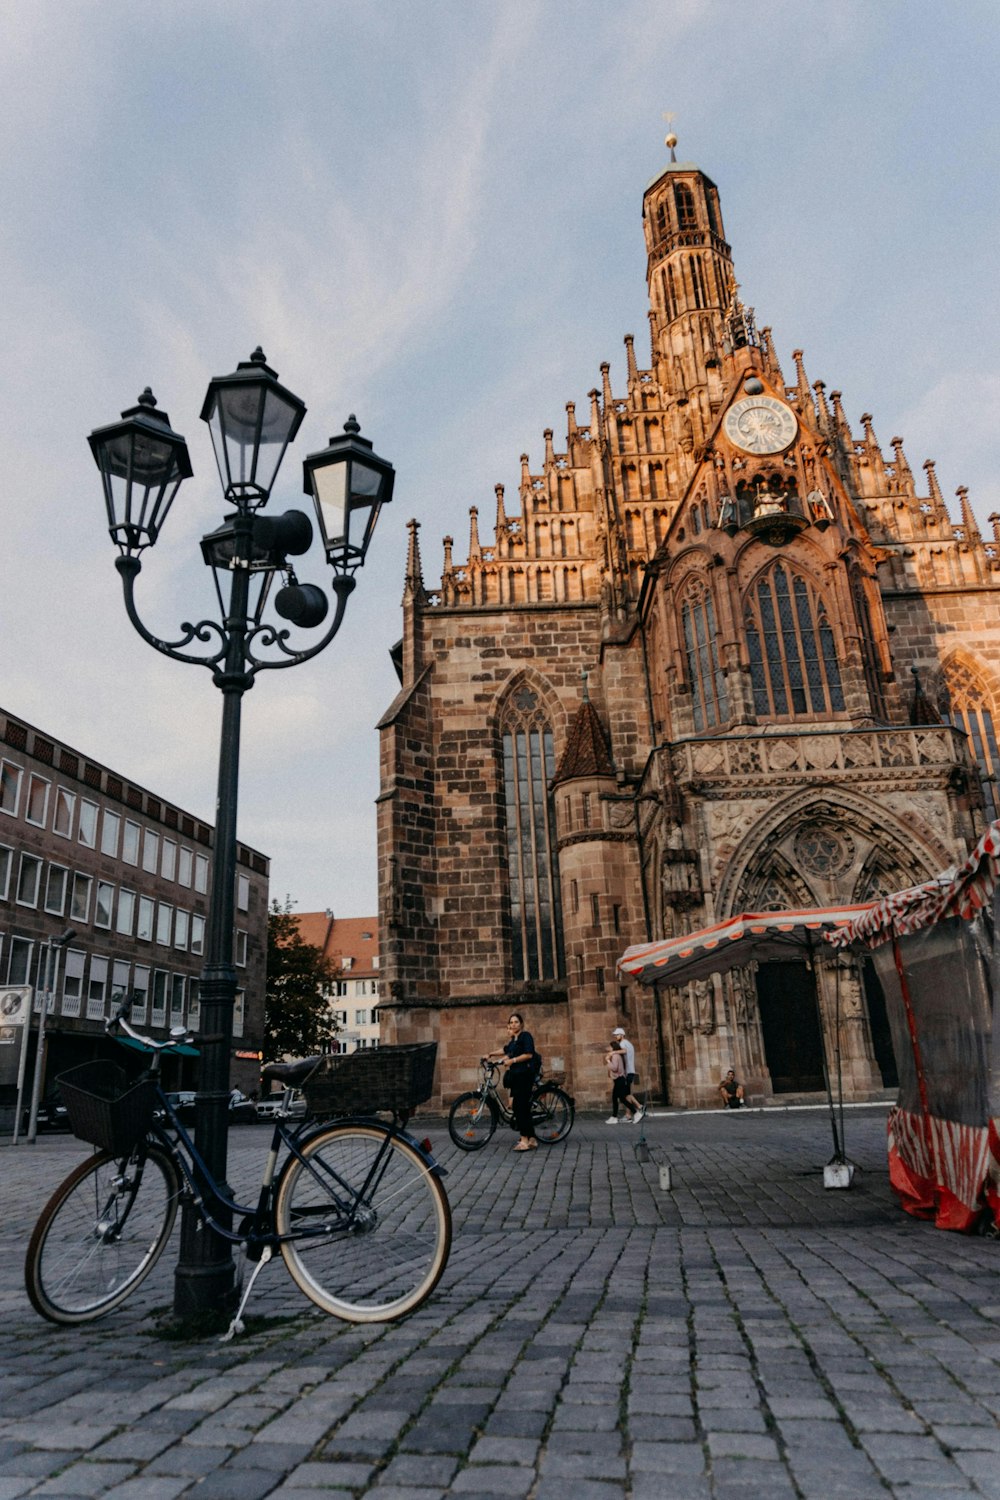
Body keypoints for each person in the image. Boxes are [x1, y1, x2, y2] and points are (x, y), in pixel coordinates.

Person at [487, 1012, 539, 1151]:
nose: (513, 1024)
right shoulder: (513, 1041)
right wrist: (491, 1055)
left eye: (516, 1022)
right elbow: (505, 1051)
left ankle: (524, 1140)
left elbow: (529, 1054)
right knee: (521, 1107)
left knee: (519, 1106)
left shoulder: (525, 1036)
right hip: (516, 1076)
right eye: (511, 1022)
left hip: (525, 1075)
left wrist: (512, 1060)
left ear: (521, 1024)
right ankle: (532, 1138)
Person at [611, 1026, 645, 1122]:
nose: (615, 1036)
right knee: (626, 1094)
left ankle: (639, 1107)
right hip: (630, 1071)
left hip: (627, 1072)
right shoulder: (628, 1043)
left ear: (622, 1035)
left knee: (625, 1095)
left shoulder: (623, 1043)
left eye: (617, 1035)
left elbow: (624, 1051)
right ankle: (628, 1115)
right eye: (615, 1035)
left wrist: (612, 1053)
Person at [605, 1040, 629, 1125]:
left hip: (619, 1079)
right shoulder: (617, 1055)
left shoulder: (615, 1056)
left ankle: (614, 1117)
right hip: (619, 1079)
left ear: (613, 1047)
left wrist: (608, 1061)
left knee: (616, 1098)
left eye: (610, 1047)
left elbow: (614, 1068)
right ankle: (636, 1112)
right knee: (621, 1098)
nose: (608, 1048)